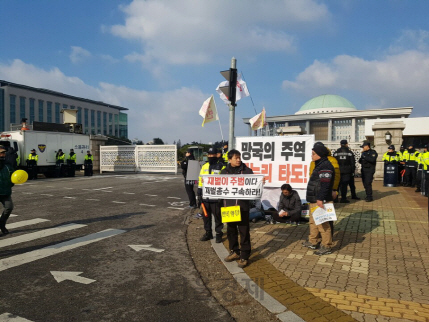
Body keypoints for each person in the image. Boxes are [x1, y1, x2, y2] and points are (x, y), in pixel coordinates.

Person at [222, 149, 254, 267]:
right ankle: (235, 251)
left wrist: (261, 181)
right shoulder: (224, 172)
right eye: (236, 158)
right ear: (229, 160)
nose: (239, 160)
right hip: (229, 206)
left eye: (239, 157)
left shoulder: (246, 171)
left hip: (242, 206)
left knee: (244, 231)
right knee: (231, 230)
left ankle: (244, 255)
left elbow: (254, 183)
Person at [302, 143, 334, 256]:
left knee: (323, 223)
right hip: (314, 199)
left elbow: (325, 185)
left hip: (320, 200)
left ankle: (326, 245)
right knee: (313, 221)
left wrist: (320, 199)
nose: (312, 156)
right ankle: (313, 241)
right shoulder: (319, 164)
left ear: (319, 154)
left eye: (313, 154)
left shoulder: (325, 166)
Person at [198, 147, 225, 243]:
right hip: (206, 196)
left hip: (217, 196)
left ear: (217, 155)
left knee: (218, 216)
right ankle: (208, 233)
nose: (210, 156)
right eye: (209, 155)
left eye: (212, 154)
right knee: (206, 216)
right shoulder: (204, 166)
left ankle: (218, 234)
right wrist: (199, 192)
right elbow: (201, 180)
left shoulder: (222, 166)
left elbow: (226, 181)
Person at [0, 145, 15, 236]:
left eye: (4, 153)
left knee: (9, 207)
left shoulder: (8, 165)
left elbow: (13, 177)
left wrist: (11, 183)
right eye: (1, 153)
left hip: (5, 192)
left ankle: (2, 224)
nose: (3, 154)